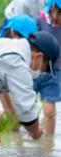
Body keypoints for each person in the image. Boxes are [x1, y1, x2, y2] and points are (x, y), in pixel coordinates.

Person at [35, 0, 61, 134]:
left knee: (49, 111)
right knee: (25, 107)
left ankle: (48, 144)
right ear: (53, 8)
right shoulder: (40, 20)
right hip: (33, 70)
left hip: (54, 71)